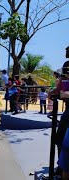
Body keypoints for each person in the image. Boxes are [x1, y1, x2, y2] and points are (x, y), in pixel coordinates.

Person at [55, 47, 69, 178]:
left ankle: (61, 168)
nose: (65, 51)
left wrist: (54, 93)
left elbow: (63, 89)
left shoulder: (67, 65)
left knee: (60, 139)